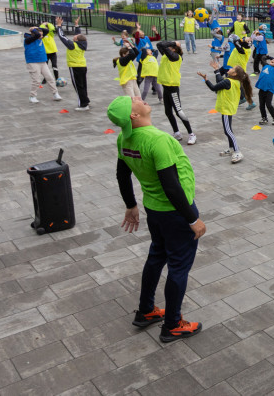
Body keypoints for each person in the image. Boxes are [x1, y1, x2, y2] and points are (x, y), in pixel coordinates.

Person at [106, 95, 205, 343]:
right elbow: (171, 186)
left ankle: (146, 310)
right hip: (175, 213)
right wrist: (192, 219)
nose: (138, 97)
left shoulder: (124, 138)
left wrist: (131, 205)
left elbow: (122, 174)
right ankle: (172, 324)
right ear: (134, 115)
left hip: (155, 210)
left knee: (157, 256)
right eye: (134, 100)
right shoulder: (158, 140)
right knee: (178, 267)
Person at [198, 62, 249, 163]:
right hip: (230, 107)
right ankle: (231, 148)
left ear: (234, 74)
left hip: (226, 108)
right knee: (228, 129)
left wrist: (206, 79)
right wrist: (217, 70)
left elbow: (214, 87)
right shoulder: (235, 82)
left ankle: (237, 151)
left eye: (232, 69)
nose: (229, 69)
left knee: (228, 130)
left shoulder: (228, 82)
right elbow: (221, 82)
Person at [156, 40, 195, 145]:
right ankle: (177, 133)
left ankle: (191, 134)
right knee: (168, 112)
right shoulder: (166, 54)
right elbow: (159, 44)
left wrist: (173, 44)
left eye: (171, 47)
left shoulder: (176, 57)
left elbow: (164, 46)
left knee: (179, 111)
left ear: (174, 49)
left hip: (173, 87)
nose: (168, 48)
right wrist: (173, 42)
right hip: (166, 86)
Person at [55, 17, 90, 110]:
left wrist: (59, 26)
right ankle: (86, 101)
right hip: (83, 66)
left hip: (75, 67)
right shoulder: (82, 44)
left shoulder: (72, 45)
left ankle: (83, 105)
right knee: (83, 85)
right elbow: (79, 35)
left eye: (75, 37)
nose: (74, 36)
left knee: (78, 87)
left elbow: (62, 37)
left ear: (77, 40)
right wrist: (77, 25)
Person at [24, 25, 61, 104]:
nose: (42, 36)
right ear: (34, 34)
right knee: (36, 80)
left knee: (50, 78)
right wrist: (33, 29)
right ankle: (32, 96)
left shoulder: (39, 37)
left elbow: (46, 31)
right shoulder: (28, 39)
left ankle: (55, 94)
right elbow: (37, 35)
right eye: (40, 34)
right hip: (33, 62)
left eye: (42, 34)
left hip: (43, 62)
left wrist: (37, 28)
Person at [255, 56, 274, 125]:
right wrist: (270, 57)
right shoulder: (265, 65)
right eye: (272, 60)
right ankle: (264, 118)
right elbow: (263, 58)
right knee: (261, 105)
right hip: (262, 89)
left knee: (268, 104)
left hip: (269, 90)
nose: (272, 60)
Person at [39, 19, 61, 84]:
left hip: (53, 52)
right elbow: (41, 28)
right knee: (45, 67)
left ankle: (57, 79)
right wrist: (43, 24)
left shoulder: (51, 34)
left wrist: (48, 23)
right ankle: (45, 78)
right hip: (45, 53)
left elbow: (52, 28)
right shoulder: (41, 36)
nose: (46, 28)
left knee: (54, 65)